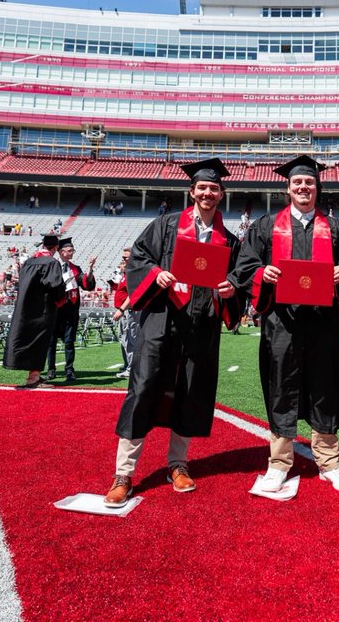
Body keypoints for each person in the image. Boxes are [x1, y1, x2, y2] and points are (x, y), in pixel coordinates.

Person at [103, 159, 243, 507]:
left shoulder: (229, 240)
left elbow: (241, 278)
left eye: (214, 188)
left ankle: (177, 464)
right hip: (162, 318)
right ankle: (124, 473)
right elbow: (139, 258)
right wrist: (155, 275)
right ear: (191, 191)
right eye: (202, 188)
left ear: (221, 194)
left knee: (191, 390)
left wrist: (231, 289)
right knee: (144, 386)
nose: (208, 193)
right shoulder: (165, 225)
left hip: (201, 323)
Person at [231, 155, 339, 494]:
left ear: (317, 188)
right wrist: (263, 274)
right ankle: (278, 463)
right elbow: (245, 266)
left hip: (321, 323)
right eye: (297, 183)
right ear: (287, 188)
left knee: (324, 387)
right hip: (281, 323)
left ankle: (330, 462)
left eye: (309, 183)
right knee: (281, 386)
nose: (303, 187)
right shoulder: (266, 226)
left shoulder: (335, 227)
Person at [3, 234, 66, 389]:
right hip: (42, 309)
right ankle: (33, 378)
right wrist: (61, 299)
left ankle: (34, 375)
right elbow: (55, 285)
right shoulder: (51, 262)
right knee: (39, 341)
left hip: (25, 308)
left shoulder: (29, 262)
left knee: (27, 338)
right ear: (56, 248)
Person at [45, 240, 96, 381]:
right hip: (55, 310)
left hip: (70, 310)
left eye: (73, 250)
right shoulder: (52, 266)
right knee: (51, 341)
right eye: (70, 250)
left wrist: (90, 269)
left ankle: (69, 370)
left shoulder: (75, 268)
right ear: (62, 252)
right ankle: (51, 369)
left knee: (69, 341)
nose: (72, 252)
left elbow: (86, 284)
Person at [107, 248, 135, 379]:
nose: (123, 260)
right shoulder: (126, 273)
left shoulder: (132, 273)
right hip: (123, 311)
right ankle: (128, 366)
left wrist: (122, 309)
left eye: (126, 258)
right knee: (124, 339)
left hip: (128, 311)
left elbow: (132, 295)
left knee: (130, 340)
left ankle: (131, 369)